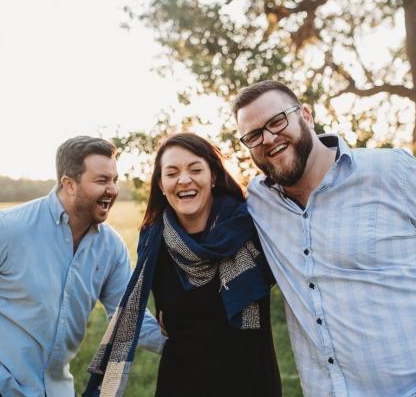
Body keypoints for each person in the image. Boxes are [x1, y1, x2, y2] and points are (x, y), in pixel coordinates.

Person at [233, 80, 416, 397]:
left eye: (277, 121)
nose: (269, 138)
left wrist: (414, 296)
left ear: (306, 116)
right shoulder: (259, 202)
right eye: (254, 135)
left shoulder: (389, 170)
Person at [0, 136, 166, 397]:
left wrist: (185, 341)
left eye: (114, 180)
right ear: (69, 184)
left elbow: (128, 318)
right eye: (101, 180)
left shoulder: (111, 248)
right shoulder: (10, 228)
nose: (112, 190)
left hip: (54, 388)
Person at [84, 133, 281, 397]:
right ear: (162, 185)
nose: (184, 180)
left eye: (195, 169)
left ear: (212, 175)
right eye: (172, 172)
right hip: (180, 383)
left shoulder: (252, 228)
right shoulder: (155, 243)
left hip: (251, 382)